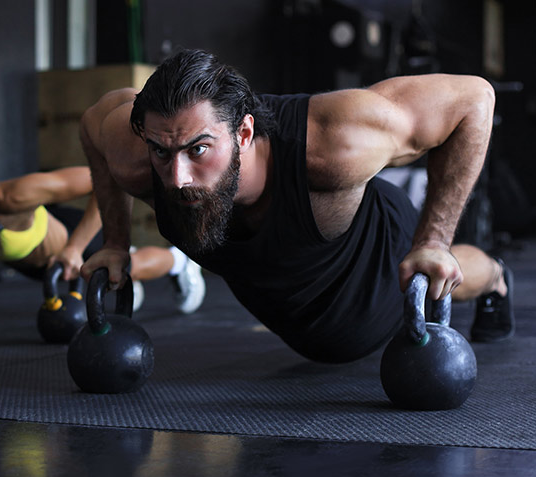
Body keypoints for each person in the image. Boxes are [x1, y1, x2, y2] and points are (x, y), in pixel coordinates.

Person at [79, 48, 514, 363]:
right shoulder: (136, 153)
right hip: (287, 304)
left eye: (199, 150)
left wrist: (434, 240)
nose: (177, 178)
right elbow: (90, 124)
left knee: (439, 271)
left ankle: (494, 277)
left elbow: (474, 98)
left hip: (372, 265)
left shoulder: (333, 142)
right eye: (161, 152)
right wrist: (115, 242)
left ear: (244, 134)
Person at [0, 142, 205, 314]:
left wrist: (73, 248)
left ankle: (181, 263)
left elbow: (108, 181)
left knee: (124, 267)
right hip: (38, 263)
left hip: (72, 242)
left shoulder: (12, 197)